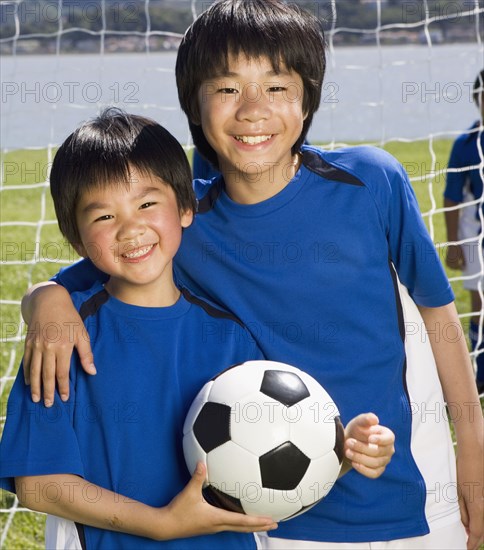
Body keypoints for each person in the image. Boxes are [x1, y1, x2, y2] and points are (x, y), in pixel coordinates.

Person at [18, 1, 483, 549]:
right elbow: (85, 273)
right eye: (228, 88)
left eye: (277, 87)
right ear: (195, 104)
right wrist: (44, 300)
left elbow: (436, 310)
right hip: (262, 519)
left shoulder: (371, 181)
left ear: (307, 95)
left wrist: (472, 452)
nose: (253, 110)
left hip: (395, 495)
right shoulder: (185, 223)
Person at [0, 108, 281, 549]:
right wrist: (159, 523)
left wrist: (343, 452)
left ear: (185, 207)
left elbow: (278, 450)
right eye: (104, 217)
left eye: (147, 204)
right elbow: (38, 481)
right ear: (76, 238)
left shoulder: (230, 336)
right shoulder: (64, 336)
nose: (131, 229)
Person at [444, 69, 484, 395]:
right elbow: (452, 197)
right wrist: (454, 242)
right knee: (480, 304)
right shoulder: (467, 145)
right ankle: (481, 372)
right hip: (478, 237)